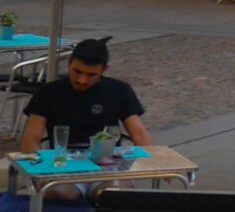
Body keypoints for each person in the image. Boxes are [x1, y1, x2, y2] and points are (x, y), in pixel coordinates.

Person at [19, 38, 151, 153]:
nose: (82, 80)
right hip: (64, 164)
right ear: (69, 63)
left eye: (91, 75)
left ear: (103, 70)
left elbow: (139, 134)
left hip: (105, 164)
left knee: (118, 183)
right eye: (77, 72)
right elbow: (31, 138)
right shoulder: (48, 92)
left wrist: (155, 163)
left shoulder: (120, 90)